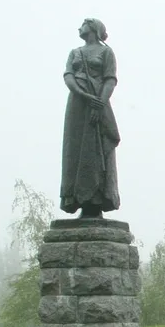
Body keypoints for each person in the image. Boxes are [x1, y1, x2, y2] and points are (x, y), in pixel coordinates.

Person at [60, 18, 121, 218]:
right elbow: (68, 76)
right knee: (75, 149)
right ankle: (77, 198)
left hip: (99, 101)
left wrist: (99, 103)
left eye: (83, 24)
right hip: (78, 104)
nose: (79, 27)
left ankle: (96, 200)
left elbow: (110, 79)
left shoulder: (106, 52)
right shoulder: (75, 53)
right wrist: (83, 95)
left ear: (93, 28)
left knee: (96, 149)